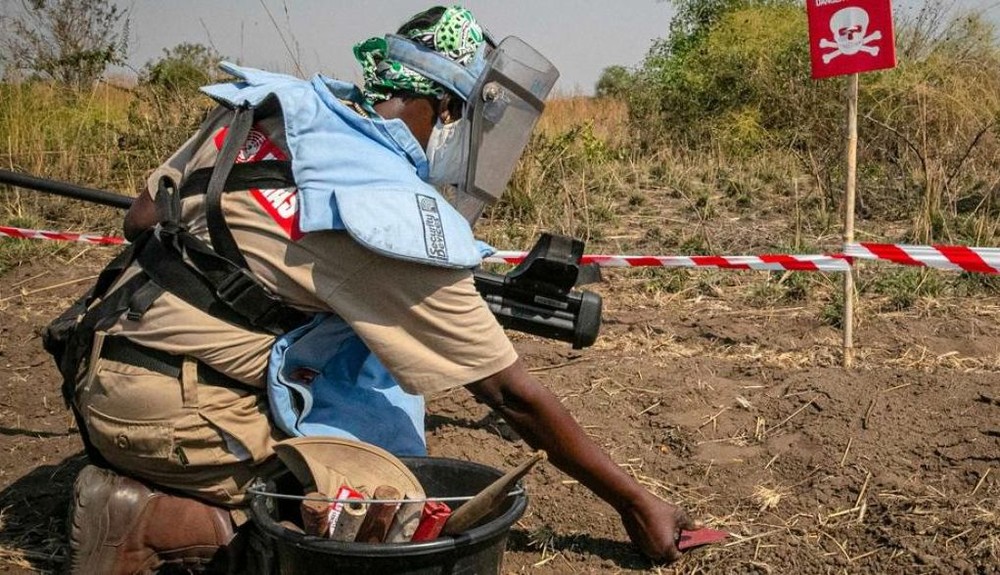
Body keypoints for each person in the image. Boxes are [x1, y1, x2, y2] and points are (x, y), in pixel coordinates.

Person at [65, 5, 699, 573]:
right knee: (383, 517)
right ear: (449, 112)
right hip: (166, 417)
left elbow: (140, 219)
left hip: (96, 361)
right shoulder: (389, 215)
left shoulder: (274, 109)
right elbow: (512, 395)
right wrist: (634, 502)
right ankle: (161, 525)